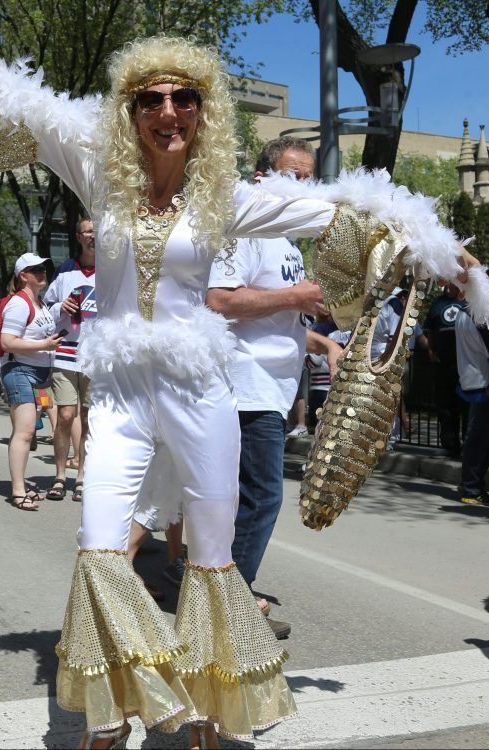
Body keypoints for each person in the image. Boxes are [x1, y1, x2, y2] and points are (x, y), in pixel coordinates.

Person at [0, 26, 483, 747]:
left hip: (201, 392)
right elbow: (22, 107)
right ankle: (117, 701)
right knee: (99, 544)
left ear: (203, 113)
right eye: (152, 98)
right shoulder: (96, 171)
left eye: (184, 98)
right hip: (119, 394)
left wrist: (433, 243)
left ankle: (210, 711)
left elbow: (339, 211)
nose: (167, 111)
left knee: (209, 553)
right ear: (131, 110)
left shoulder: (225, 199)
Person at [207, 137, 342, 641]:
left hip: (276, 385)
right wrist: (300, 294)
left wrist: (319, 340)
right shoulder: (244, 227)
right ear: (262, 177)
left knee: (243, 498)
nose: (302, 186)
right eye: (292, 175)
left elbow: (276, 314)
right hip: (246, 384)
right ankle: (229, 605)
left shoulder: (286, 237)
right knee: (261, 497)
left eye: (309, 178)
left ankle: (216, 591)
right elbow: (220, 299)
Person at [0, 253, 64, 510]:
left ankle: (21, 485)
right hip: (20, 371)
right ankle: (18, 491)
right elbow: (7, 342)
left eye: (44, 268)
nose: (42, 272)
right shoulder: (19, 304)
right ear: (22, 276)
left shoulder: (40, 303)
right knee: (25, 432)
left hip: (39, 375)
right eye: (35, 269)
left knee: (29, 430)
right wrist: (44, 345)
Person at [43, 216, 97, 501]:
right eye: (87, 232)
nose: (92, 236)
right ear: (78, 237)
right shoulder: (65, 271)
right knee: (66, 416)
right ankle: (60, 476)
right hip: (65, 354)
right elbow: (46, 306)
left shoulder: (110, 272)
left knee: (89, 418)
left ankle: (83, 476)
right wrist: (59, 307)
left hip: (96, 356)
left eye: (96, 232)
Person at [456, 269, 489, 505]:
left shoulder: (465, 310)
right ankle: (471, 487)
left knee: (479, 436)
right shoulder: (484, 313)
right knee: (482, 438)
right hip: (487, 383)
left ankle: (472, 484)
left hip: (474, 380)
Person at [423, 284, 468, 456]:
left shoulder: (469, 301)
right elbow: (431, 330)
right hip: (444, 363)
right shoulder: (438, 303)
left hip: (465, 363)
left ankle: (469, 444)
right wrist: (431, 349)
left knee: (466, 406)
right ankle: (450, 444)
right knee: (445, 406)